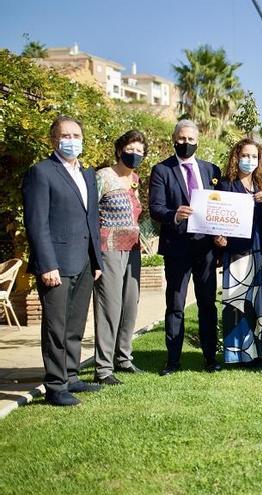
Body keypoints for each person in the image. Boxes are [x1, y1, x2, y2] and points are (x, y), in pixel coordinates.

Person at [23, 115, 104, 406]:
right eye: (65, 135)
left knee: (74, 325)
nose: (72, 141)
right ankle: (55, 386)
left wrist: (96, 261)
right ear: (53, 139)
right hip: (56, 264)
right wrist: (47, 265)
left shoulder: (86, 175)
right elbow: (36, 223)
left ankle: (71, 375)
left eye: (76, 135)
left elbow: (91, 220)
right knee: (56, 327)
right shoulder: (41, 173)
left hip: (83, 262)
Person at [148, 119, 222, 376]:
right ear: (174, 139)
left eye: (191, 140)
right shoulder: (161, 170)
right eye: (181, 139)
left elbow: (220, 208)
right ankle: (173, 360)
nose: (186, 143)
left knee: (207, 304)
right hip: (177, 247)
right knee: (176, 304)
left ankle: (211, 359)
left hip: (205, 249)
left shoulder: (211, 170)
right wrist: (174, 214)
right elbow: (155, 209)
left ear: (197, 141)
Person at [214, 138, 262, 368]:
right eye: (245, 155)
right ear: (237, 157)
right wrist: (219, 236)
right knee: (238, 300)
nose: (249, 160)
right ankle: (239, 354)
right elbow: (217, 214)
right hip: (238, 249)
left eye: (254, 156)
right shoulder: (226, 183)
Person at [92, 130, 148, 386]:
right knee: (109, 307)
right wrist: (93, 255)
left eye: (139, 151)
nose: (134, 154)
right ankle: (103, 368)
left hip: (133, 249)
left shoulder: (135, 179)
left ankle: (123, 357)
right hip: (109, 248)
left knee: (129, 304)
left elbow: (137, 217)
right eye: (130, 149)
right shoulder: (103, 176)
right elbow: (90, 214)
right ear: (119, 149)